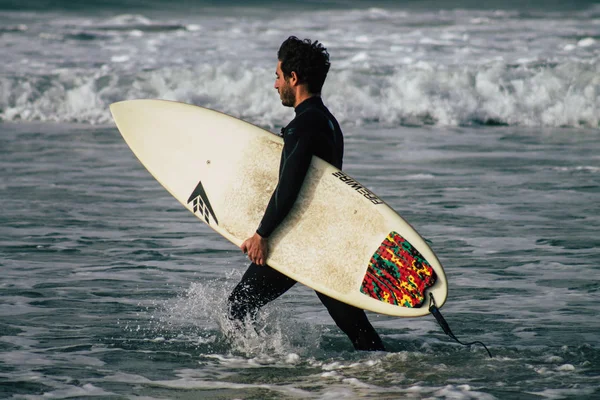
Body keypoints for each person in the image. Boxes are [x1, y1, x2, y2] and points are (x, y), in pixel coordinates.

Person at [227, 36, 385, 351]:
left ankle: (258, 369)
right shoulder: (327, 122)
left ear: (293, 79)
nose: (275, 85)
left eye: (277, 76)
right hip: (324, 239)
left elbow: (290, 186)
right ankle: (386, 374)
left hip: (299, 239)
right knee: (355, 328)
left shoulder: (304, 126)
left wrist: (262, 234)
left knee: (238, 307)